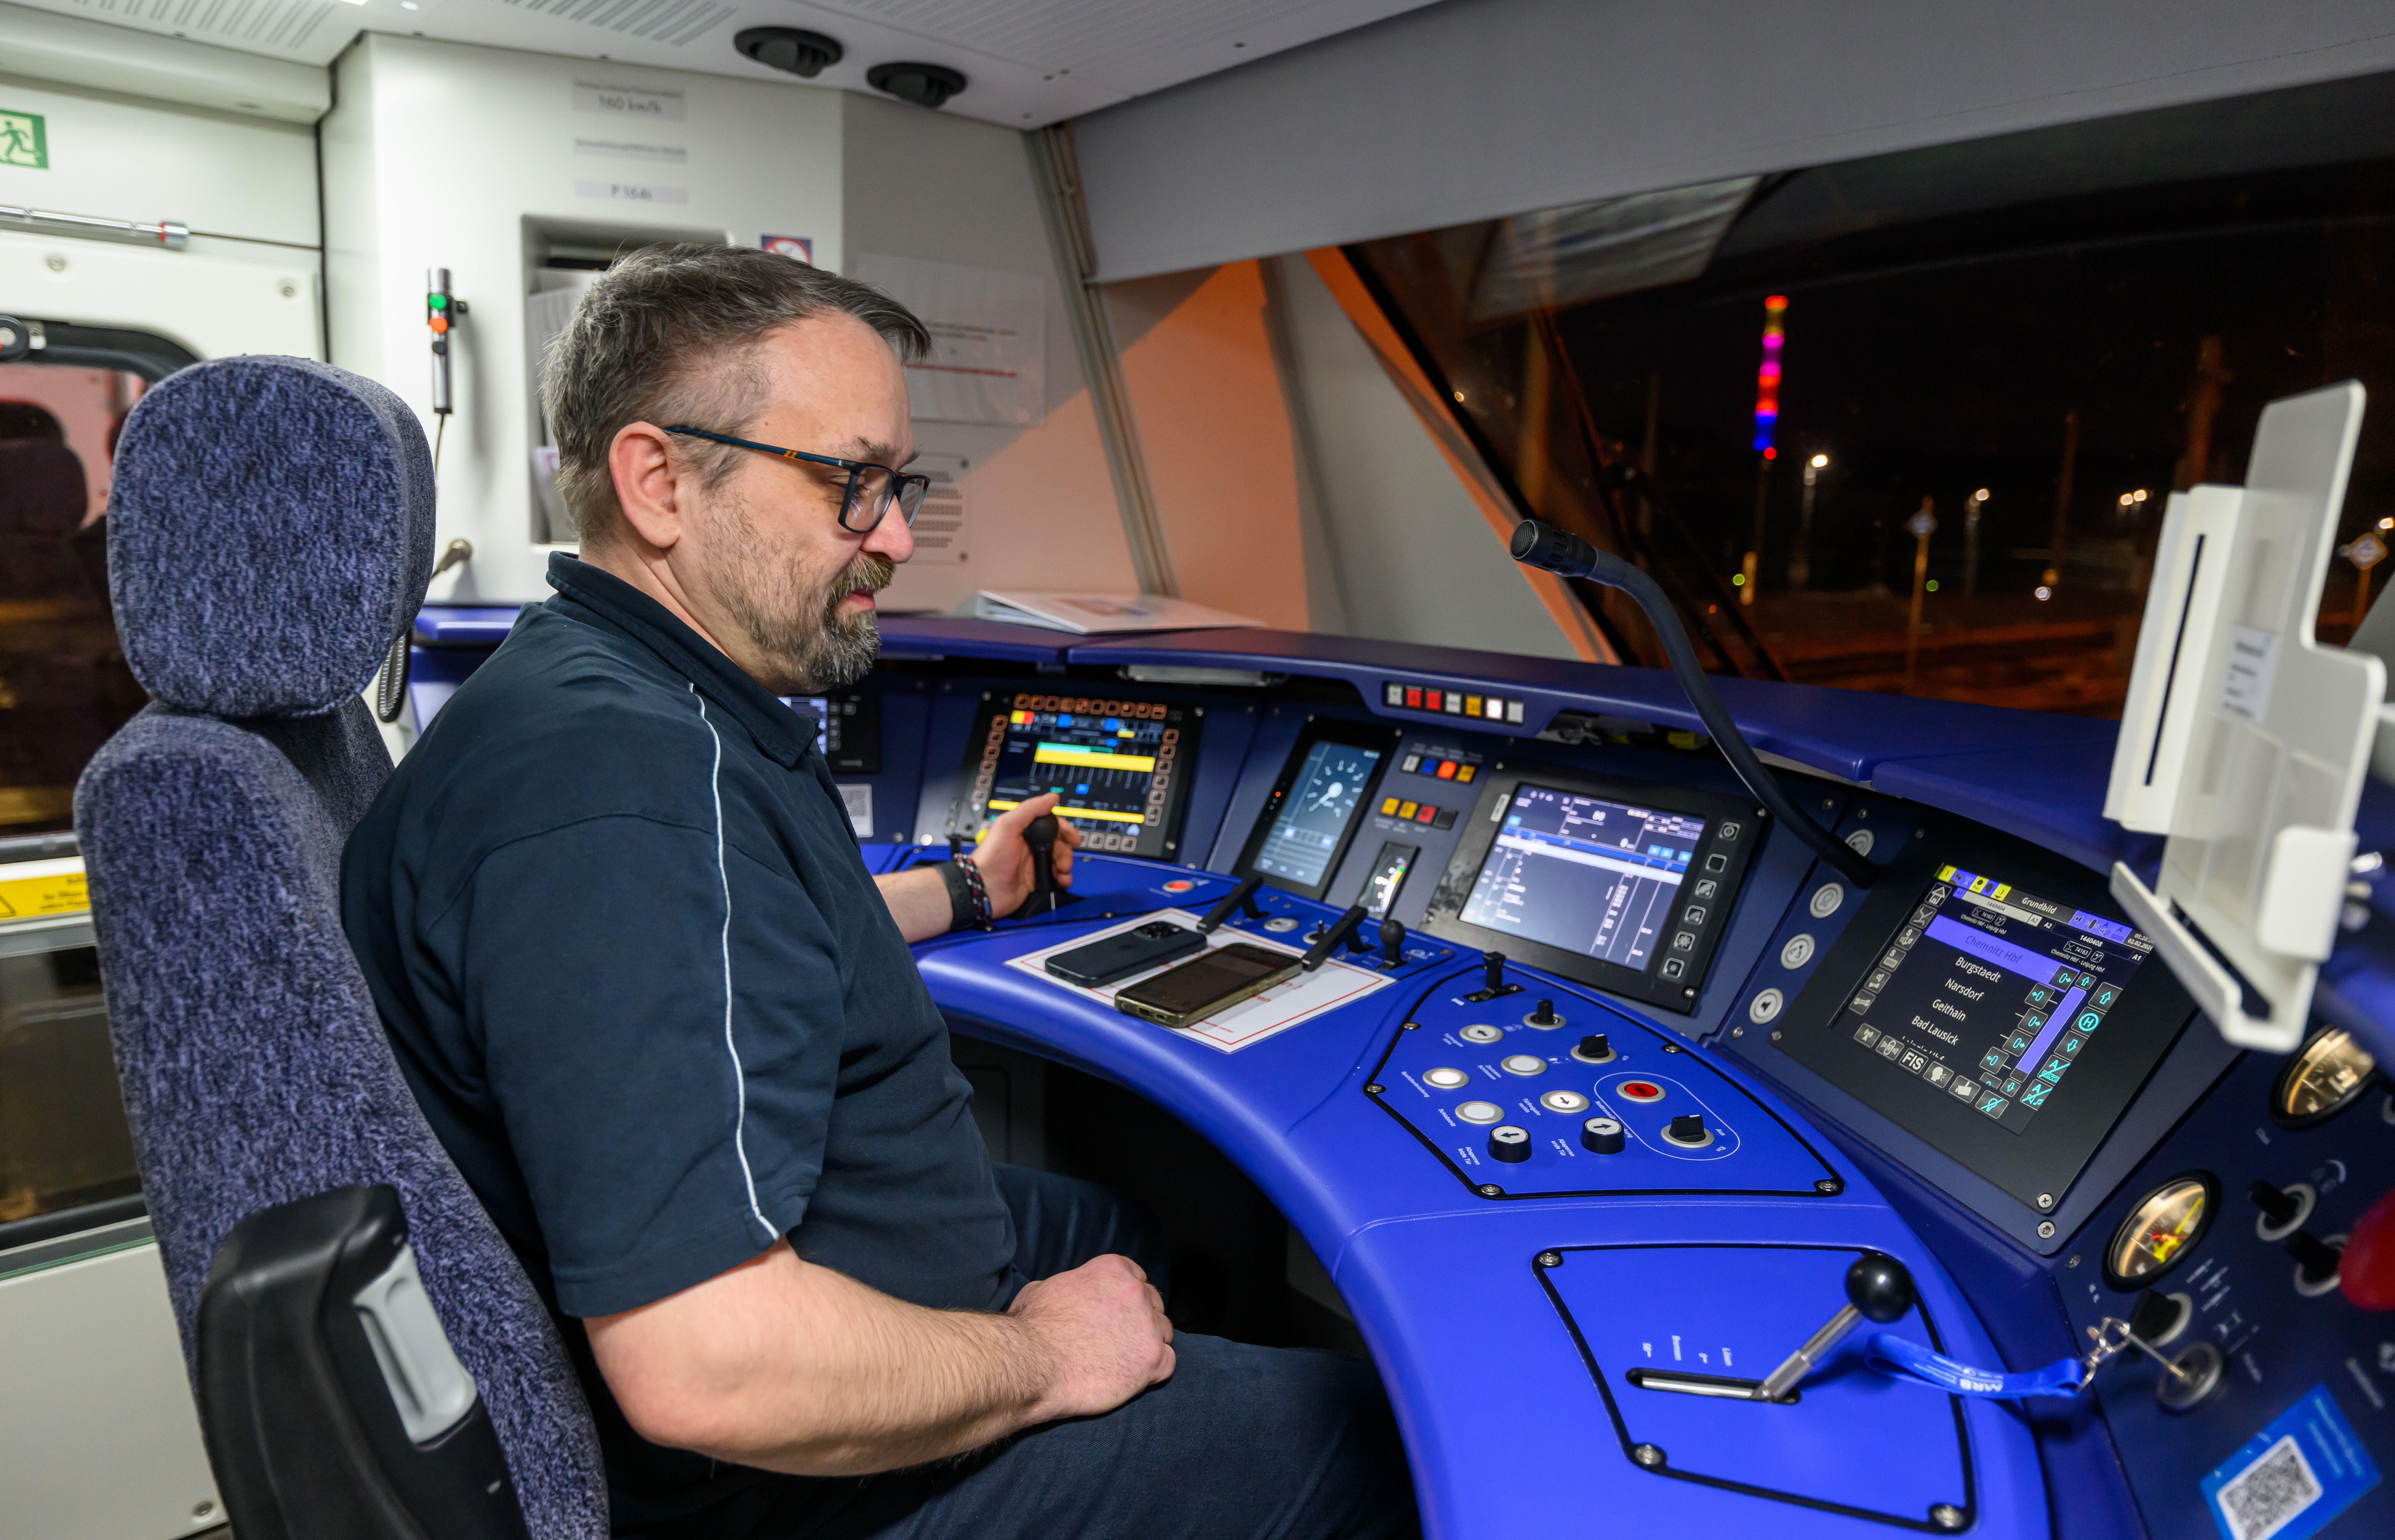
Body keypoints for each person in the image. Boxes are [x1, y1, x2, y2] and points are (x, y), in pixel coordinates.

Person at [341, 243, 1417, 1540]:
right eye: (853, 484)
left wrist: (967, 888)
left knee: (1127, 1217)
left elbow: (753, 926)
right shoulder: (616, 787)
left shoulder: (616, 693)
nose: (896, 536)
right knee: (1361, 1440)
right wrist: (1044, 1358)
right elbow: (708, 1360)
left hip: (820, 1326)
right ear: (659, 480)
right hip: (801, 1486)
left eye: (897, 486)